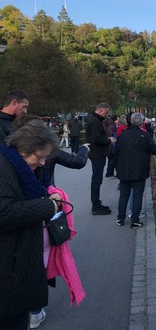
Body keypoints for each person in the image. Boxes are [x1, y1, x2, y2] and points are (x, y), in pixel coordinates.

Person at [0, 123, 64, 329]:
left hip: (15, 262)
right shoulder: (4, 168)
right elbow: (4, 212)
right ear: (24, 148)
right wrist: (48, 206)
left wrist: (46, 195)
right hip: (8, 267)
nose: (43, 162)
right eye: (40, 156)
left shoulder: (18, 165)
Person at [114, 113, 156, 229]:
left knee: (123, 195)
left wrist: (116, 168)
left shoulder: (122, 135)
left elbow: (116, 152)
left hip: (124, 169)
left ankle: (120, 218)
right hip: (139, 170)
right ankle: (135, 220)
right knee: (137, 195)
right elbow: (154, 149)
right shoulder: (144, 135)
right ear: (141, 122)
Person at [85, 103, 114, 216]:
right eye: (106, 113)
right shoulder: (95, 122)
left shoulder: (93, 120)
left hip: (97, 153)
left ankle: (96, 203)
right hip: (97, 153)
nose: (107, 116)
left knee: (97, 179)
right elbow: (96, 139)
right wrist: (108, 141)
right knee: (97, 180)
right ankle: (96, 206)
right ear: (100, 110)